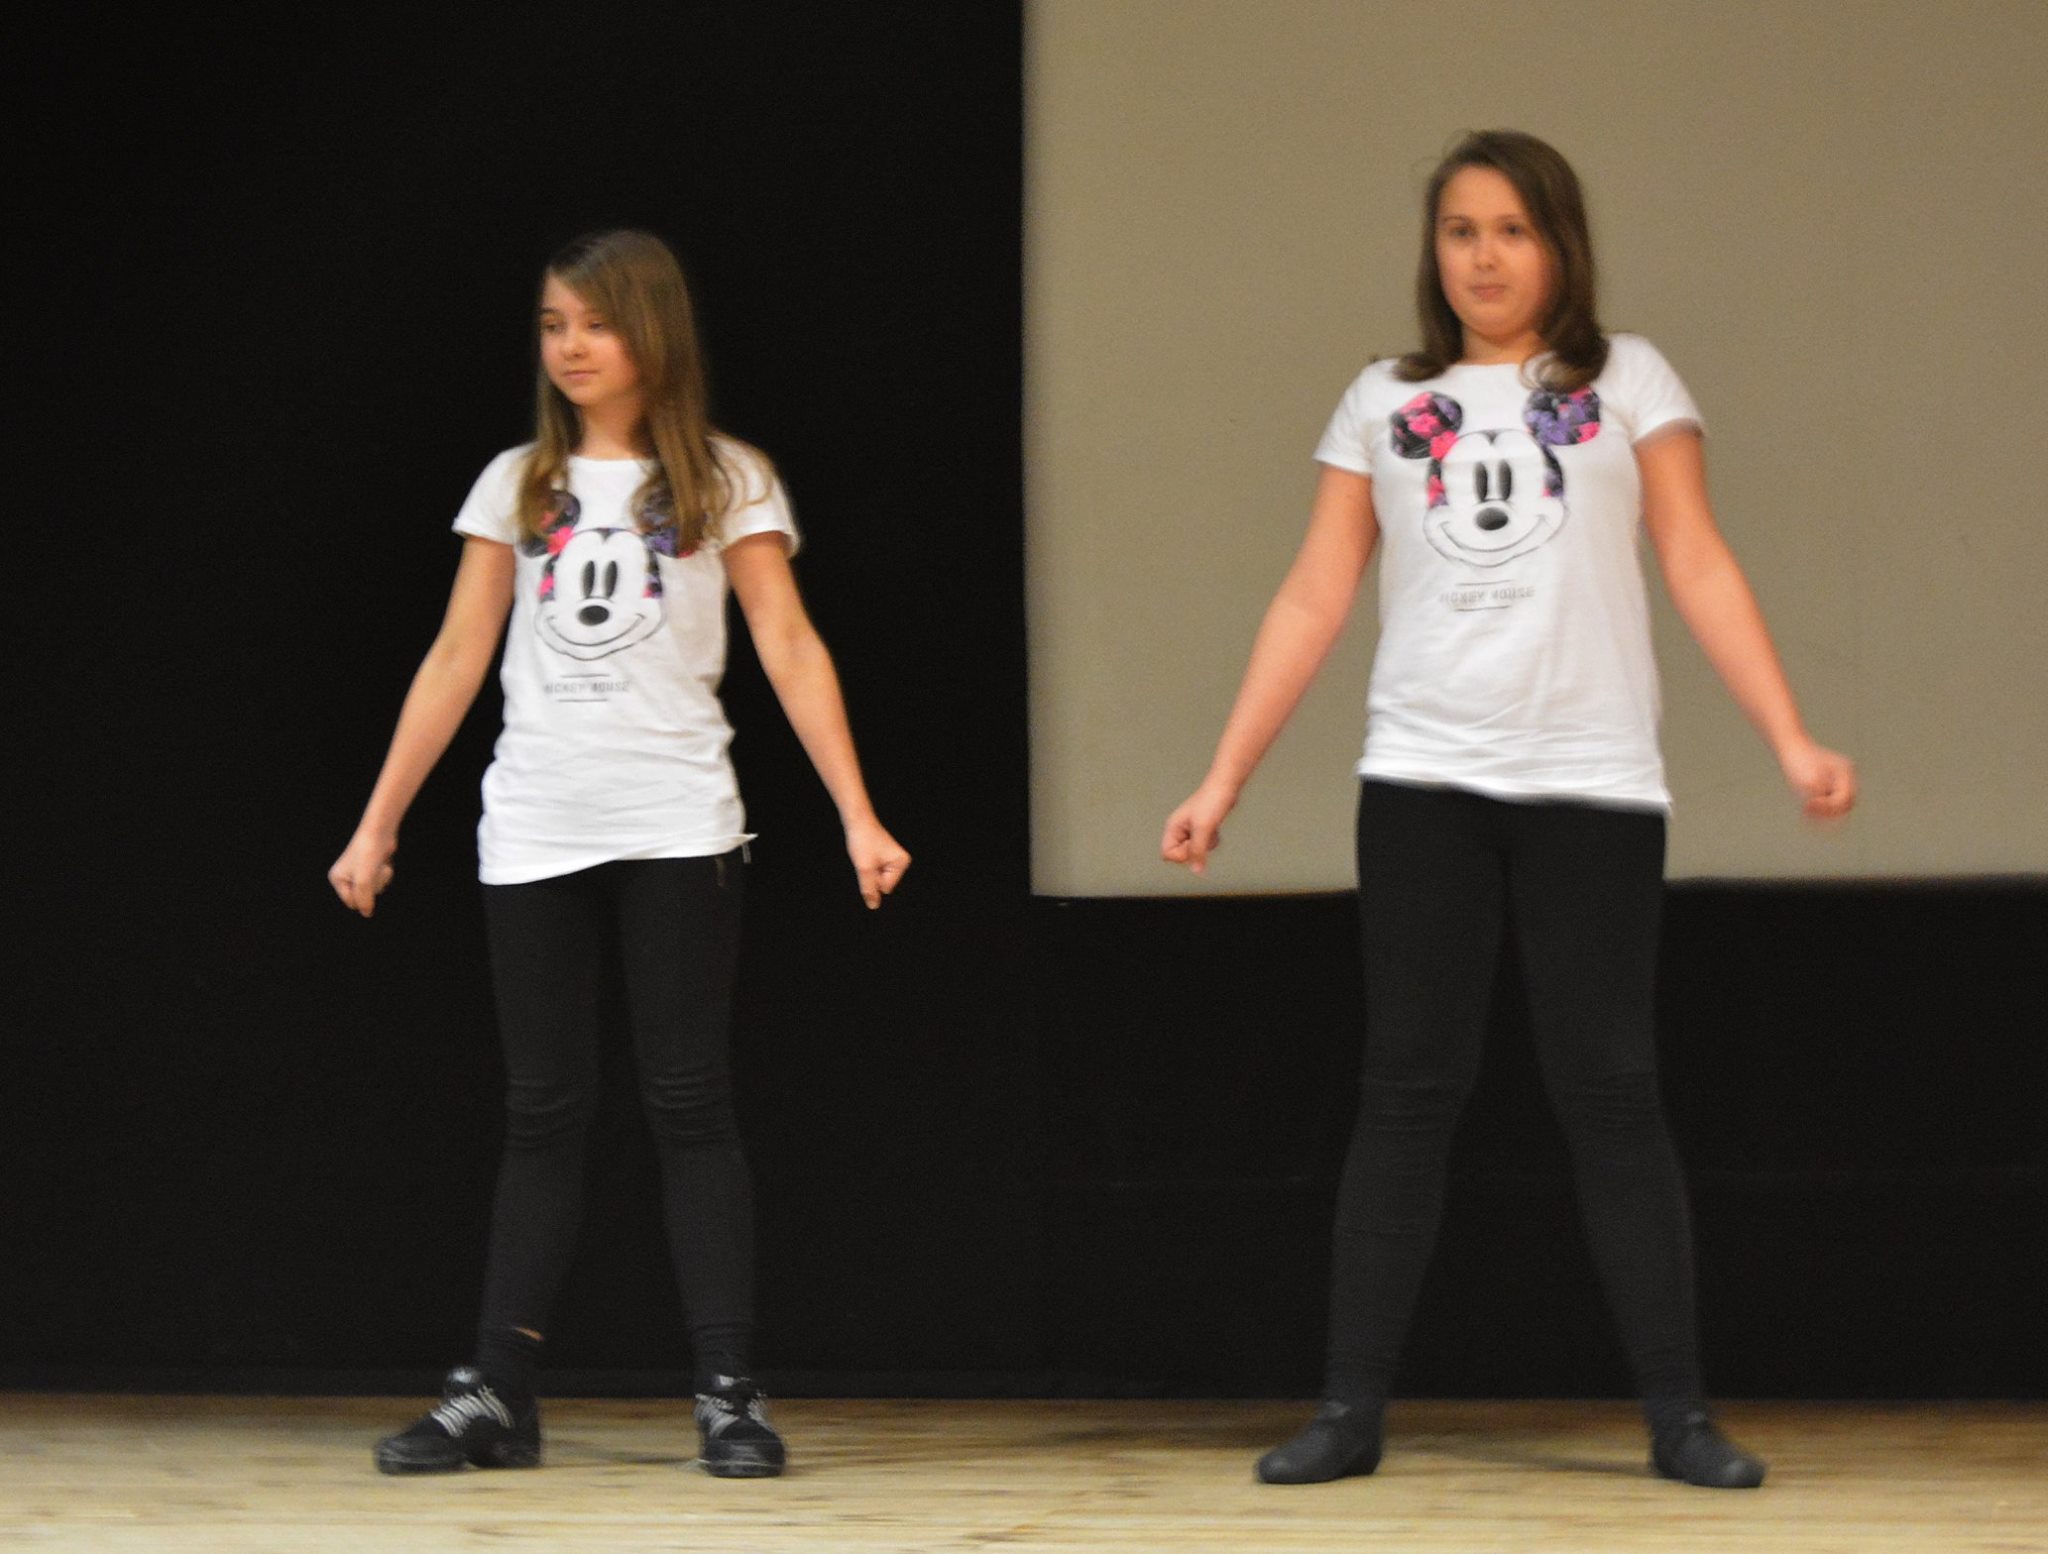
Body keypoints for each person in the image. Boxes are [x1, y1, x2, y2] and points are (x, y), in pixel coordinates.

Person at [1161, 130, 1853, 1490]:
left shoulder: (1627, 378)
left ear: (1559, 245)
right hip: (1424, 780)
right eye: (1461, 230)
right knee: (1405, 1093)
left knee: (1611, 1093)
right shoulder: (1382, 397)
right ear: (1434, 250)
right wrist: (1222, 775)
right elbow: (1313, 592)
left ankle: (1679, 1417)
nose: (1484, 256)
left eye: (1513, 230)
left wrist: (1787, 735)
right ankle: (1348, 1411)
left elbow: (1696, 559)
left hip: (1591, 782)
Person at [329, 229, 909, 1479]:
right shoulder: (516, 483)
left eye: (594, 322)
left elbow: (788, 644)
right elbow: (456, 655)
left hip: (674, 818)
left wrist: (856, 813)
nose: (571, 346)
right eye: (553, 324)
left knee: (688, 1101)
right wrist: (379, 821)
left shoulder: (726, 479)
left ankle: (727, 1393)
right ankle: (497, 1391)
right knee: (541, 1109)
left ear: (653, 332)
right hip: (536, 820)